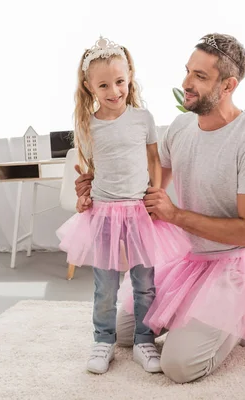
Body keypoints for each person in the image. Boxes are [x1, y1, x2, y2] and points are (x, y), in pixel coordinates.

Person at [75, 33, 245, 383]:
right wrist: (95, 188)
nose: (186, 83)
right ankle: (199, 316)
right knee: (125, 334)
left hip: (233, 263)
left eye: (200, 77)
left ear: (228, 85)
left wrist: (175, 215)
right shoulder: (180, 126)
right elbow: (148, 186)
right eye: (188, 71)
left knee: (179, 365)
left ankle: (242, 314)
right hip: (189, 261)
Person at [56, 36, 190, 375]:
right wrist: (84, 193)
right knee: (106, 285)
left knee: (145, 282)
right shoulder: (88, 125)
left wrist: (156, 192)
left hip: (139, 211)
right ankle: (103, 340)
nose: (114, 91)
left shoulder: (143, 118)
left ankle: (145, 340)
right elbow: (91, 171)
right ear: (89, 87)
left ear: (129, 76)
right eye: (104, 85)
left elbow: (152, 160)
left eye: (119, 81)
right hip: (103, 214)